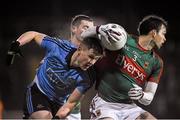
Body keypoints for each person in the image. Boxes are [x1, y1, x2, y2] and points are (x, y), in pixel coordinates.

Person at [6, 30, 104, 119]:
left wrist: (57, 118)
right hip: (38, 92)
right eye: (91, 57)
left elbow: (71, 102)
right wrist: (17, 43)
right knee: (46, 117)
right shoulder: (58, 47)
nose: (92, 62)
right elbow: (34, 34)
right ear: (80, 48)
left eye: (96, 59)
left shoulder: (88, 77)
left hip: (59, 104)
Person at [89, 15, 168, 119]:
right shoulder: (122, 39)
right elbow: (89, 35)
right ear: (153, 33)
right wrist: (98, 29)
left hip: (129, 107)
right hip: (105, 104)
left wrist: (142, 95)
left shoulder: (157, 62)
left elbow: (149, 97)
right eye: (163, 33)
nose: (164, 38)